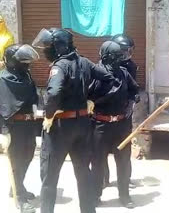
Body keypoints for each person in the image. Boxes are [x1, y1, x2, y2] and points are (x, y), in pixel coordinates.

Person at [32, 28, 115, 213]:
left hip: (60, 127)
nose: (46, 49)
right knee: (83, 173)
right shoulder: (84, 62)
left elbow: (53, 93)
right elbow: (109, 78)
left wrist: (48, 115)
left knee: (50, 176)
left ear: (58, 46)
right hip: (83, 125)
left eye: (48, 46)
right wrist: (92, 99)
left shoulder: (59, 66)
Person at [89, 41, 139, 209]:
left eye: (121, 56)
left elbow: (134, 91)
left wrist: (131, 105)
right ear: (107, 56)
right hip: (99, 125)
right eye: (117, 56)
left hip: (121, 125)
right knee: (97, 162)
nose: (121, 59)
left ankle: (124, 195)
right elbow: (86, 95)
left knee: (124, 161)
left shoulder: (124, 73)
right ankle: (95, 195)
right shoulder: (94, 73)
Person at [0, 44, 39, 213]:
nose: (27, 64)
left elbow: (33, 97)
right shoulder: (5, 79)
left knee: (27, 156)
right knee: (16, 161)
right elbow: (1, 106)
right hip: (14, 127)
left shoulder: (25, 75)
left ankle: (18, 187)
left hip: (27, 125)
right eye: (23, 60)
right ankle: (19, 198)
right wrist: (6, 132)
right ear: (13, 61)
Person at [98, 34, 139, 188]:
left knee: (123, 152)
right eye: (123, 51)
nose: (126, 55)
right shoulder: (100, 68)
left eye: (128, 51)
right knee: (100, 153)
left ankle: (125, 180)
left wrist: (130, 103)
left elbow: (133, 89)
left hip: (123, 115)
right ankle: (103, 180)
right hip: (103, 116)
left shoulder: (130, 67)